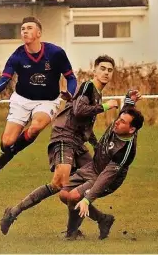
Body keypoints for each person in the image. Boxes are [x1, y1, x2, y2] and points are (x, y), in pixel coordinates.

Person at [0, 55, 120, 235]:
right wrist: (105, 106)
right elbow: (79, 111)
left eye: (110, 70)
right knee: (59, 183)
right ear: (94, 70)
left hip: (77, 143)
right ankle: (13, 212)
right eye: (102, 68)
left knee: (84, 184)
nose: (106, 73)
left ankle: (88, 225)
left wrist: (97, 145)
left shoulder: (96, 92)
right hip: (65, 138)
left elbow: (84, 124)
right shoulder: (88, 86)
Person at [0, 16, 77, 171]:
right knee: (7, 143)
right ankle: (8, 150)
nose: (25, 31)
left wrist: (70, 92)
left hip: (47, 101)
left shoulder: (55, 53)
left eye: (29, 28)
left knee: (35, 127)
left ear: (39, 33)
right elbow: (6, 77)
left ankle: (9, 155)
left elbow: (70, 77)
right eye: (23, 29)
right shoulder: (17, 55)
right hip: (22, 99)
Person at [59, 96, 144, 240]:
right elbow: (124, 111)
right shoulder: (120, 124)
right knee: (64, 194)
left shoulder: (126, 150)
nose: (116, 122)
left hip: (107, 178)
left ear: (132, 129)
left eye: (122, 122)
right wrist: (130, 99)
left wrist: (87, 199)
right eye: (118, 119)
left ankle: (71, 234)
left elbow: (106, 176)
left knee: (74, 196)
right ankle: (102, 219)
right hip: (94, 167)